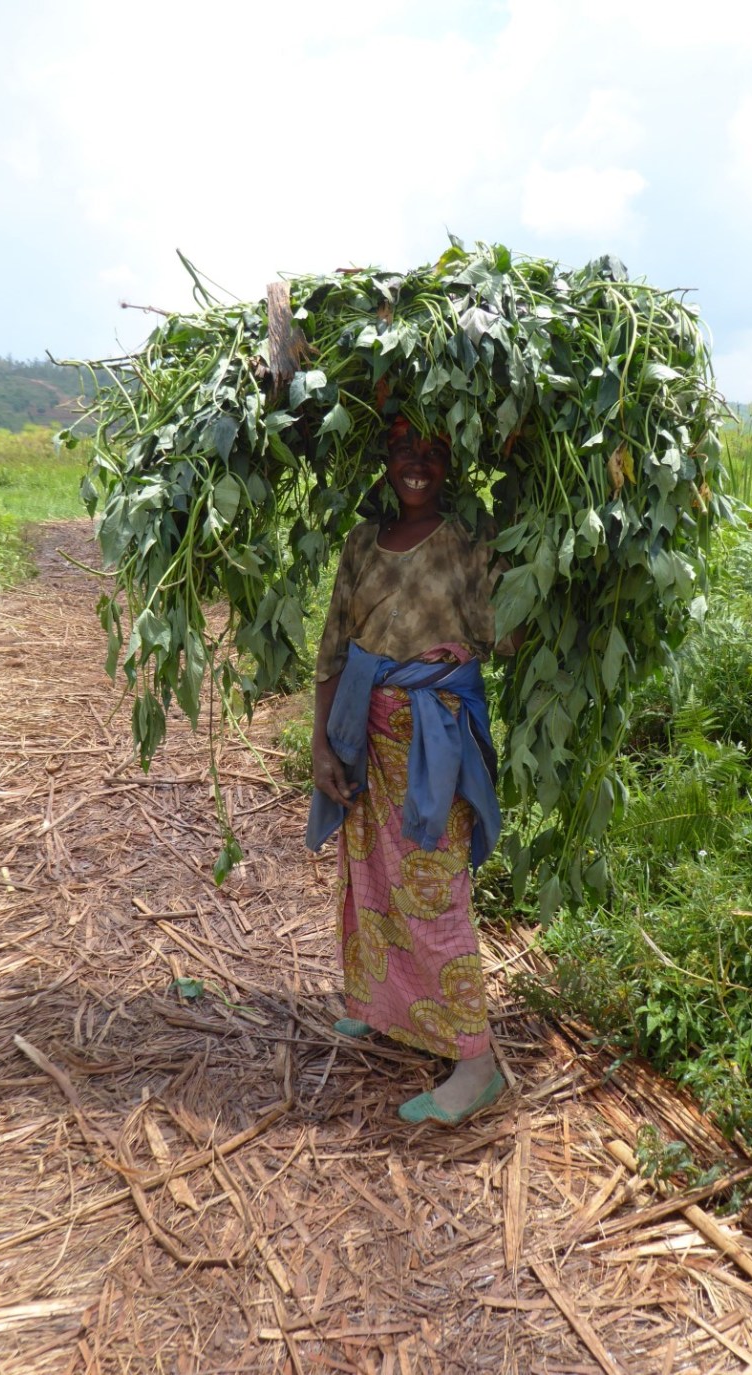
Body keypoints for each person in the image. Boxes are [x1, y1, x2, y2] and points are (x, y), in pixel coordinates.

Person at [305, 416, 517, 1125]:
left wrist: (535, 562)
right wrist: (321, 744)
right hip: (363, 731)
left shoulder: (469, 541)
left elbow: (508, 633)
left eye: (432, 452)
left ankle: (477, 1063)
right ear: (385, 458)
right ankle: (383, 1004)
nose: (417, 465)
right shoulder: (362, 541)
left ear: (452, 464)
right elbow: (335, 647)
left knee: (432, 887)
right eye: (403, 450)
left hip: (434, 739)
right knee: (369, 875)